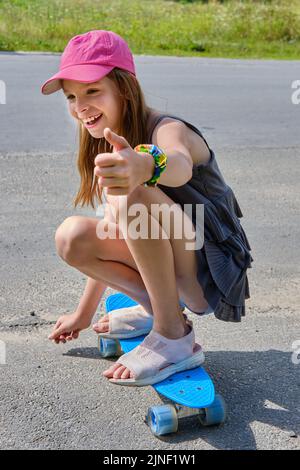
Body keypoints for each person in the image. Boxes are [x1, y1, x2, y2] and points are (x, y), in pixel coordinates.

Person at [41, 30, 253, 387]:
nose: (80, 106)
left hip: (210, 271)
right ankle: (158, 308)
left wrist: (145, 165)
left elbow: (180, 163)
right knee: (72, 237)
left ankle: (173, 334)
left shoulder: (168, 129)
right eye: (72, 96)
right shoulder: (111, 136)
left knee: (130, 196)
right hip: (177, 256)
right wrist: (83, 312)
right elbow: (114, 223)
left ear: (123, 88)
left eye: (93, 91)